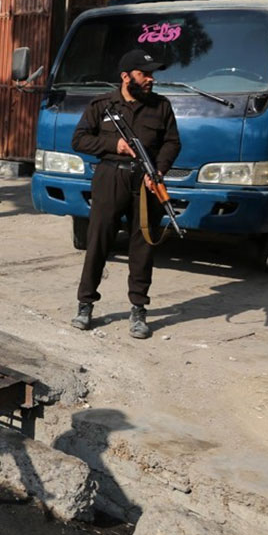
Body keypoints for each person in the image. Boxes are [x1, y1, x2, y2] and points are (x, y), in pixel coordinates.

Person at [70, 49, 181, 340]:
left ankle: (138, 309)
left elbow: (172, 143)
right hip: (110, 177)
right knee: (98, 240)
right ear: (125, 76)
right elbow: (79, 139)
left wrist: (157, 170)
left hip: (146, 181)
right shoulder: (102, 105)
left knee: (143, 244)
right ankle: (85, 304)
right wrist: (113, 145)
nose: (150, 79)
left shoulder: (161, 106)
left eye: (151, 74)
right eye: (144, 74)